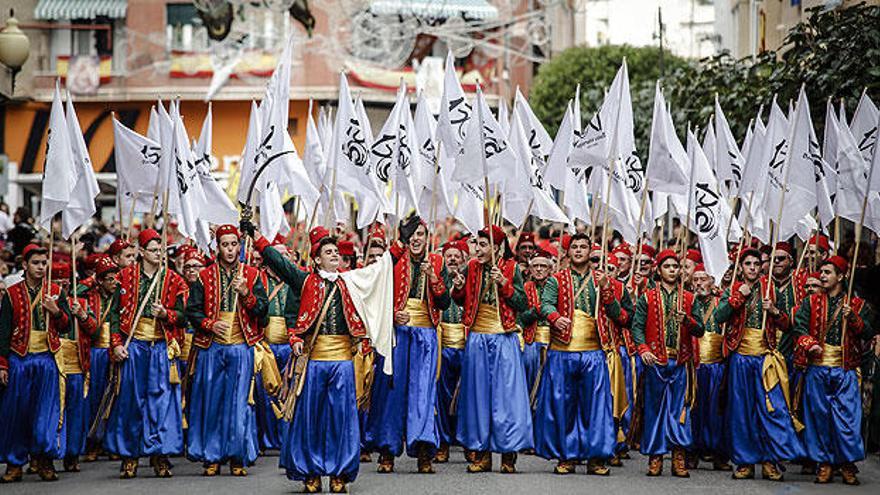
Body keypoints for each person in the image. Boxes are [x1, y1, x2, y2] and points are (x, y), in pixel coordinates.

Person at [251, 225, 373, 493]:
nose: (334, 256)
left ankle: (339, 473)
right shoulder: (305, 281)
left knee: (341, 420)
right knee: (311, 419)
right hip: (314, 362)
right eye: (328, 252)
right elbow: (278, 262)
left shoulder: (351, 282)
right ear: (316, 258)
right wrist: (256, 236)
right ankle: (312, 472)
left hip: (342, 362)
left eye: (336, 252)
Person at [535, 233, 630, 475]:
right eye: (574, 247)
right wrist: (555, 318)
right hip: (562, 351)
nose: (578, 251)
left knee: (596, 407)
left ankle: (596, 458)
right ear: (568, 252)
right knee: (564, 405)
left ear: (591, 251)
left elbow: (618, 315)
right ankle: (567, 456)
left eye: (583, 247)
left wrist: (608, 290)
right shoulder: (556, 280)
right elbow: (544, 304)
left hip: (594, 352)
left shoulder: (602, 280)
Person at [366, 216, 449, 474]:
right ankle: (387, 451)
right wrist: (392, 313)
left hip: (425, 336)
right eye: (412, 233)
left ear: (428, 237)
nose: (416, 238)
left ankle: (424, 451)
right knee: (391, 392)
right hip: (398, 335)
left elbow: (445, 302)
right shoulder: (393, 260)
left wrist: (433, 278)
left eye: (421, 233)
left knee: (423, 395)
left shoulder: (437, 262)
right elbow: (377, 295)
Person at [104, 229, 188, 479]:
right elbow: (114, 316)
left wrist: (166, 315)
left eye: (161, 250)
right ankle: (129, 457)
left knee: (161, 403)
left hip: (161, 347)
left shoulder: (173, 279)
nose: (158, 254)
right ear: (141, 252)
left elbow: (183, 317)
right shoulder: (125, 278)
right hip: (135, 347)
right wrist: (117, 344)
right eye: (153, 250)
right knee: (131, 401)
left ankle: (160, 455)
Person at [714, 248, 804, 481]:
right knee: (742, 411)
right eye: (748, 264)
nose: (753, 267)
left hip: (765, 358)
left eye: (756, 263)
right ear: (741, 267)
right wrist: (737, 298)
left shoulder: (770, 289)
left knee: (771, 409)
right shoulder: (734, 288)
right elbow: (719, 316)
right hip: (740, 358)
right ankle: (745, 462)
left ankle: (770, 461)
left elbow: (788, 325)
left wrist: (774, 311)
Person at [186, 225, 268, 476]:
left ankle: (237, 456)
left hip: (241, 347)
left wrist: (246, 294)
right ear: (217, 246)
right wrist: (210, 324)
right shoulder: (204, 276)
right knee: (211, 402)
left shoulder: (252, 275)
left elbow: (263, 312)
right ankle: (211, 456)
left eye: (234, 244)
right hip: (212, 348)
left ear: (240, 245)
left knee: (238, 403)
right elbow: (192, 311)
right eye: (225, 245)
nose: (230, 249)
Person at [451, 225, 532, 473]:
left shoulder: (513, 268)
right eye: (477, 244)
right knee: (477, 397)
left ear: (498, 248)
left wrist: (505, 284)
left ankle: (508, 456)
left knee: (506, 398)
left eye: (484, 245)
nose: (478, 249)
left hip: (503, 337)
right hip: (477, 337)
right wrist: (458, 286)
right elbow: (461, 299)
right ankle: (482, 454)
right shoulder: (473, 267)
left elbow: (522, 303)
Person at [793, 256, 873, 485]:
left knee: (847, 418)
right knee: (820, 418)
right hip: (818, 369)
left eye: (828, 272)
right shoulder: (811, 302)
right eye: (822, 272)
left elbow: (867, 332)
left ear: (841, 276)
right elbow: (798, 327)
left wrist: (854, 319)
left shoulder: (857, 305)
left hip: (845, 370)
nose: (823, 276)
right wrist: (810, 344)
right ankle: (824, 463)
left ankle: (847, 464)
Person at [0, 244, 71, 482]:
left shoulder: (55, 291)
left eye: (44, 263)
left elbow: (67, 326)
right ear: (24, 265)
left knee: (46, 414)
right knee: (17, 413)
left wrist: (57, 311)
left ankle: (44, 461)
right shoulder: (11, 293)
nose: (41, 268)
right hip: (19, 359)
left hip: (47, 359)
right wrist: (2, 364)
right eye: (36, 263)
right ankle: (14, 463)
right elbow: (3, 331)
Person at [630, 249, 704, 477]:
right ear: (659, 271)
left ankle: (678, 457)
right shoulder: (647, 297)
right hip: (656, 363)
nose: (673, 270)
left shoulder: (689, 298)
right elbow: (637, 327)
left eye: (676, 267)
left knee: (679, 411)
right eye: (668, 266)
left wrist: (688, 321)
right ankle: (656, 457)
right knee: (655, 410)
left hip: (681, 362)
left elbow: (700, 329)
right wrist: (642, 350)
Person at [254, 238, 297, 452]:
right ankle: (267, 438)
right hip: (266, 346)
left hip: (289, 345)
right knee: (266, 393)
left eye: (284, 255)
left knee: (289, 391)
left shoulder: (295, 281)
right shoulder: (259, 279)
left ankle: (288, 437)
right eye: (276, 254)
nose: (281, 259)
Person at [54, 262, 96, 473]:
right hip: (53, 364)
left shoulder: (80, 303)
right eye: (57, 283)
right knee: (52, 412)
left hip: (77, 365)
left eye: (65, 283)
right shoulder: (46, 303)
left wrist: (83, 315)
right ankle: (43, 456)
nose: (62, 288)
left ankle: (72, 454)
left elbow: (94, 330)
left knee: (76, 413)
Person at [690, 264, 730, 471]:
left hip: (715, 365)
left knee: (717, 410)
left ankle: (719, 454)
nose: (698, 284)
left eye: (703, 279)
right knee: (693, 409)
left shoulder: (720, 304)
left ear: (712, 281)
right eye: (695, 279)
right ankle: (692, 451)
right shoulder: (687, 302)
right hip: (694, 365)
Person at [80, 256, 119, 462]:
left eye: (115, 278)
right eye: (109, 279)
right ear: (100, 280)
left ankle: (111, 443)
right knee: (94, 398)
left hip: (114, 350)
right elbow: (74, 291)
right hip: (95, 352)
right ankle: (92, 443)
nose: (113, 283)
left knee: (114, 398)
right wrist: (90, 281)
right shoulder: (89, 296)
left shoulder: (119, 296)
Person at [435, 240, 468, 464]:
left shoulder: (470, 279)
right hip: (443, 343)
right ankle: (443, 443)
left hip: (467, 343)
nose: (453, 259)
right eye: (450, 256)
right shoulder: (437, 281)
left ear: (464, 259)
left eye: (458, 255)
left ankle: (469, 444)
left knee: (468, 396)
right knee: (443, 396)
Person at [520, 244, 555, 395]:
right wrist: (535, 311)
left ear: (550, 269)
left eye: (543, 266)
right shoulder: (525, 287)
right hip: (531, 340)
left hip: (554, 340)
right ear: (530, 269)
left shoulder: (558, 286)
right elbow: (521, 316)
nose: (539, 269)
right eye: (535, 266)